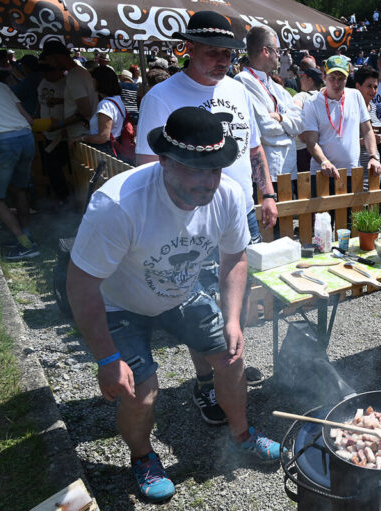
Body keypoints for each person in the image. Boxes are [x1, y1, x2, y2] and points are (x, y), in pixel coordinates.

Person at [66, 107, 283, 504]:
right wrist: (106, 358)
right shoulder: (119, 204)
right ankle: (143, 457)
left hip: (179, 293)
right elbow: (81, 284)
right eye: (194, 169)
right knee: (141, 393)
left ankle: (241, 434)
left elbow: (234, 257)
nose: (207, 181)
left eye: (214, 168)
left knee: (232, 354)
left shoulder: (229, 195)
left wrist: (233, 318)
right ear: (163, 160)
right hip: (119, 305)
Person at [136, 10, 277, 425]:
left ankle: (227, 361)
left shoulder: (236, 90)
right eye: (213, 52)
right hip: (189, 222)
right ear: (189, 48)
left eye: (228, 54)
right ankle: (204, 383)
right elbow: (148, 167)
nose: (222, 61)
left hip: (238, 214)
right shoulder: (162, 97)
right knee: (195, 305)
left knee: (237, 297)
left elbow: (253, 149)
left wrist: (266, 192)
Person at [300, 55, 381, 193]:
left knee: (352, 214)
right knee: (323, 215)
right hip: (322, 172)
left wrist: (373, 156)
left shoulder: (355, 96)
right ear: (324, 77)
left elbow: (368, 130)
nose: (336, 84)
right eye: (332, 78)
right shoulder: (312, 103)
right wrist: (324, 162)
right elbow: (311, 140)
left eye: (341, 79)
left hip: (351, 173)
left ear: (347, 78)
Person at [236, 25, 301, 196]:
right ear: (266, 51)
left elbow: (299, 123)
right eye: (277, 51)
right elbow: (265, 128)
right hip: (266, 175)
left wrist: (279, 117)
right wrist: (287, 125)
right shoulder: (243, 81)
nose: (279, 55)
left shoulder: (275, 85)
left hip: (288, 170)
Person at [0, 79, 40, 260]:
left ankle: (25, 244)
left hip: (1, 142)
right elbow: (29, 119)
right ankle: (26, 236)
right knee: (20, 190)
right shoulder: (0, 85)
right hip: (25, 137)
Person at [40, 40, 98, 141]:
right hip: (83, 134)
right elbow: (81, 100)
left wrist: (60, 124)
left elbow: (85, 110)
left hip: (81, 135)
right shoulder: (81, 72)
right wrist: (61, 100)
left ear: (56, 57)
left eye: (49, 60)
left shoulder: (74, 76)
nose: (50, 64)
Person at [78, 66, 129, 162]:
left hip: (104, 152)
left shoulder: (105, 104)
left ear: (99, 82)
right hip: (115, 147)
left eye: (93, 80)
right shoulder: (117, 99)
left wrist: (82, 138)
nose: (91, 82)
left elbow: (103, 137)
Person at [37, 59, 71, 205]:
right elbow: (41, 104)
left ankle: (65, 199)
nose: (47, 74)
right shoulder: (42, 83)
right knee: (50, 166)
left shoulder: (66, 84)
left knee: (58, 166)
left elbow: (74, 105)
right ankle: (61, 197)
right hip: (47, 131)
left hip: (63, 132)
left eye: (50, 70)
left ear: (58, 70)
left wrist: (65, 127)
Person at [354, 66, 381, 189]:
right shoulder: (351, 109)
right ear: (358, 86)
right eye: (369, 86)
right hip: (358, 165)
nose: (373, 90)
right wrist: (361, 141)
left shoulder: (372, 106)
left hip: (373, 162)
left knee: (374, 204)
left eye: (375, 87)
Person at [293, 67, 324, 173]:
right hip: (321, 148)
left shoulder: (301, 96)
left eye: (303, 77)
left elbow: (294, 113)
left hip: (302, 150)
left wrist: (301, 133)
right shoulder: (325, 98)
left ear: (309, 80)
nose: (300, 80)